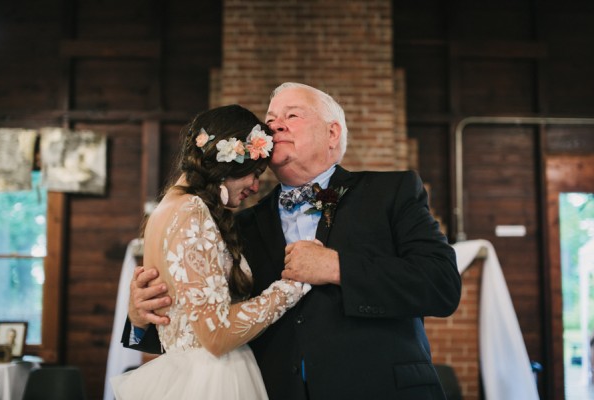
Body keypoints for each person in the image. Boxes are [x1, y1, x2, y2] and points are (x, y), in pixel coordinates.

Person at [125, 83, 462, 399]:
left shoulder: (392, 192)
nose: (276, 126)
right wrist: (141, 319)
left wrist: (338, 267)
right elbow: (202, 329)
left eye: (292, 115)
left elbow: (442, 285)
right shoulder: (233, 224)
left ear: (332, 133)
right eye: (270, 120)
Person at [112, 104, 311, 400]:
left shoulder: (171, 207)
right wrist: (294, 285)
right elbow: (216, 333)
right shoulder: (191, 211)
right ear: (230, 161)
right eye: (254, 173)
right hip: (213, 379)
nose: (256, 187)